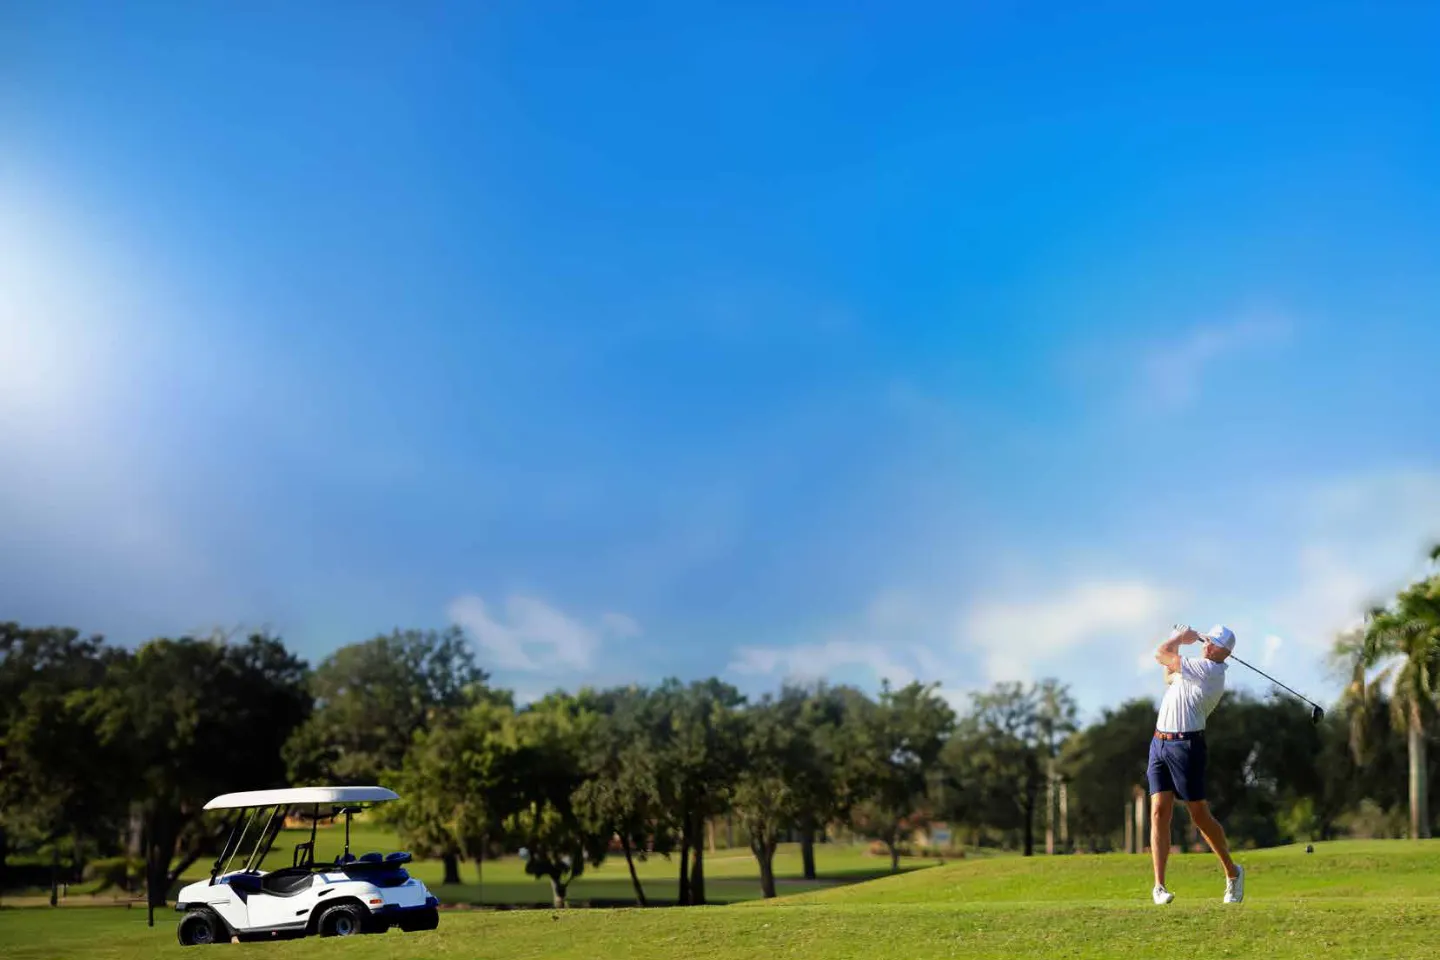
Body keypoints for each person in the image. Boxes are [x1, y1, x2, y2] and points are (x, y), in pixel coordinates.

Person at [1147, 623, 1244, 905]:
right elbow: (1168, 673)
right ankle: (1159, 886)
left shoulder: (1210, 671)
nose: (1207, 645)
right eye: (1206, 640)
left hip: (1186, 746)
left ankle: (1233, 872)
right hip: (1159, 743)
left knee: (1199, 815)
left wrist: (1177, 638)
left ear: (1225, 653)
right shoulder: (1193, 667)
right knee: (1158, 812)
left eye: (1213, 644)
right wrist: (1177, 641)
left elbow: (1160, 654)